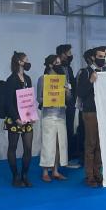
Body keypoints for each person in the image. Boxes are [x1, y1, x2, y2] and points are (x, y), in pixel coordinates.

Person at [0, 51, 35, 188]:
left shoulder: (28, 78)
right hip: (14, 118)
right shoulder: (11, 79)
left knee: (28, 148)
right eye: (26, 59)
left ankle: (25, 175)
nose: (28, 62)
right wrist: (16, 118)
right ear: (19, 62)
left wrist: (32, 115)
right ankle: (15, 176)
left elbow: (29, 99)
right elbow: (9, 103)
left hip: (26, 118)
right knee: (12, 147)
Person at [77, 46, 106, 187]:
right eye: (100, 56)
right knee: (91, 144)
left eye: (104, 56)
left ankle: (98, 172)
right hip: (90, 112)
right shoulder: (85, 72)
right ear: (94, 57)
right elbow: (81, 93)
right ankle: (89, 175)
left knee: (101, 145)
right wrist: (90, 81)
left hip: (104, 112)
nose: (103, 59)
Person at [36, 55, 69, 183]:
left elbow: (69, 98)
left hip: (61, 115)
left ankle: (55, 170)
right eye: (57, 63)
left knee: (59, 143)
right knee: (48, 143)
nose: (59, 65)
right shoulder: (43, 79)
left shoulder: (63, 80)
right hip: (48, 115)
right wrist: (48, 100)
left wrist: (67, 92)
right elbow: (38, 99)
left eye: (60, 63)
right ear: (50, 65)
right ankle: (45, 171)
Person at [56, 43, 81, 166]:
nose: (71, 56)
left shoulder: (69, 68)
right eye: (69, 53)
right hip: (58, 105)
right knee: (59, 132)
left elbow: (73, 84)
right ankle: (58, 158)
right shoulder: (55, 68)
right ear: (62, 54)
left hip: (70, 104)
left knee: (69, 129)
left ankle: (68, 156)